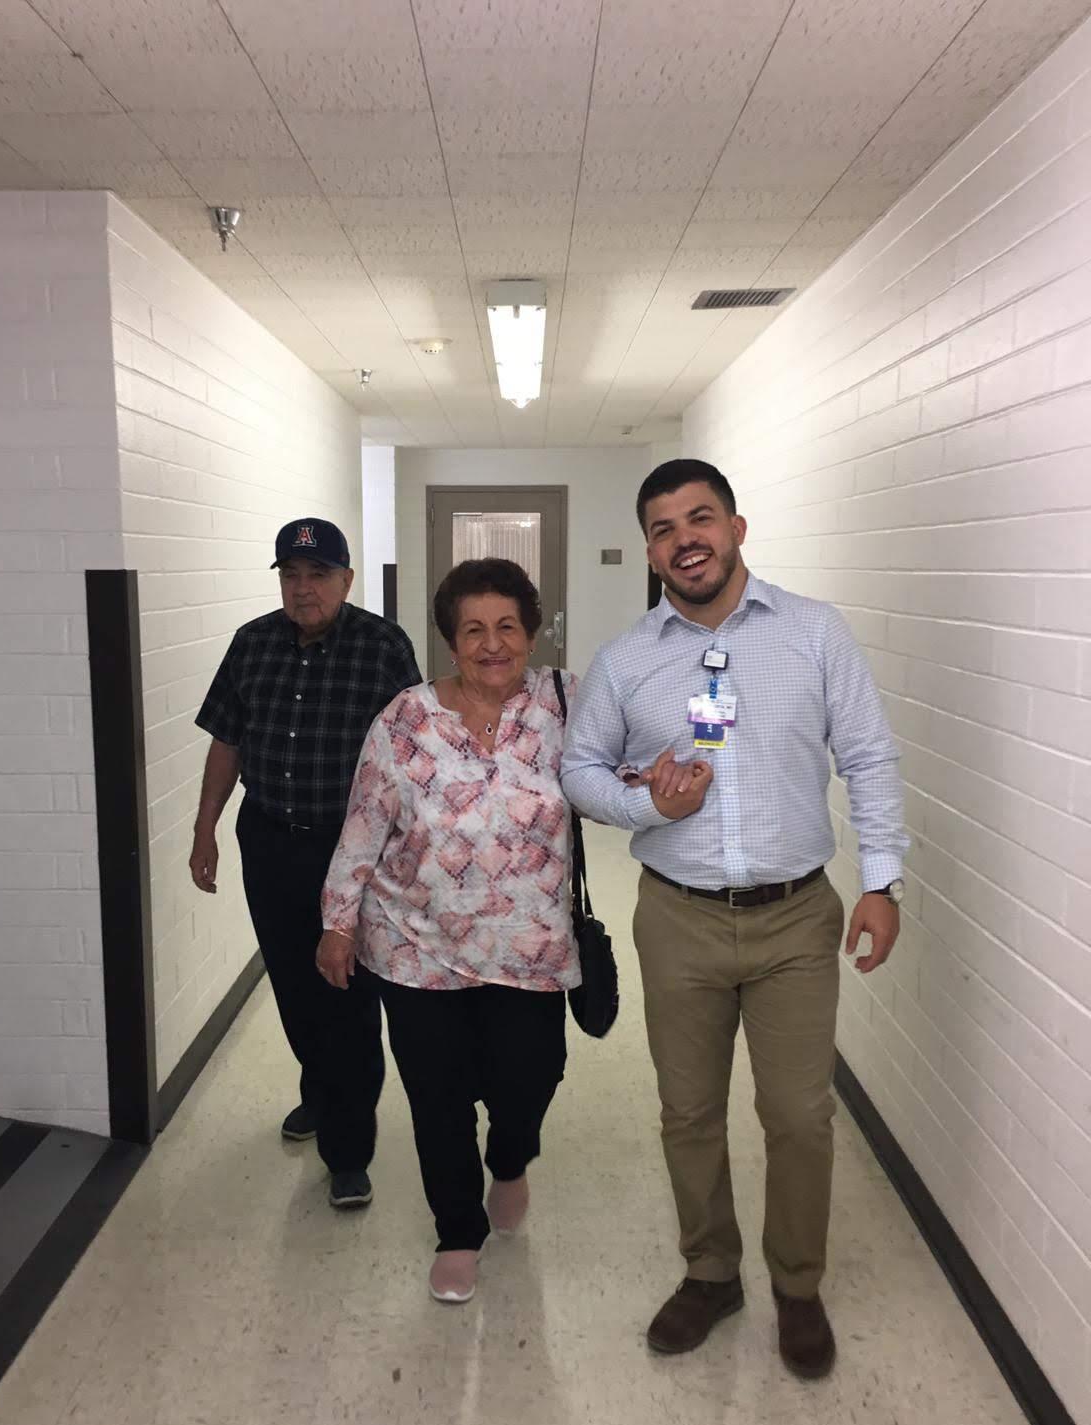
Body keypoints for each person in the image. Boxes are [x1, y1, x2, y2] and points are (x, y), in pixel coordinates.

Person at [561, 459, 908, 1378]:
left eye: (700, 518)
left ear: (738, 527)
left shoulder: (813, 635)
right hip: (678, 918)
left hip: (797, 916)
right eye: (666, 528)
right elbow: (580, 770)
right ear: (649, 551)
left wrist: (881, 881)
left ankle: (798, 1285)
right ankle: (711, 1273)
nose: (686, 540)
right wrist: (648, 810)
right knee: (688, 1112)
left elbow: (869, 757)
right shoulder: (629, 660)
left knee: (798, 1115)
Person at [316, 559, 578, 1305]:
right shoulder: (404, 720)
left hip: (530, 946)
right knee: (437, 1096)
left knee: (531, 1079)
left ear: (530, 634)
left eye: (506, 626)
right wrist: (338, 922)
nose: (491, 643)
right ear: (450, 641)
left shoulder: (565, 705)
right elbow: (364, 827)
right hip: (415, 944)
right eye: (473, 629)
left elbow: (614, 774)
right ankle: (457, 1231)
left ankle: (513, 1156)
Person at [190, 517, 420, 1210]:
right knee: (293, 987)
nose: (302, 588)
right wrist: (205, 830)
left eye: (318, 575)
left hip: (350, 853)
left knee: (346, 997)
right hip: (269, 841)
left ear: (346, 580)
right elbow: (226, 742)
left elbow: (410, 753)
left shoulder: (382, 648)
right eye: (290, 575)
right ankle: (320, 1091)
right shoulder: (252, 644)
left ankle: (349, 1151)